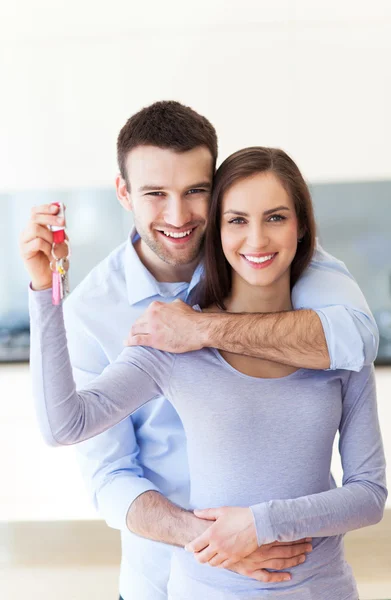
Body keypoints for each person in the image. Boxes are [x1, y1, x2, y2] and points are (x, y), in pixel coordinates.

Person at [20, 102, 379, 600]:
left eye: (195, 191)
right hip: (165, 575)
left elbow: (358, 342)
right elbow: (94, 456)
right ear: (124, 193)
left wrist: (204, 329)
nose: (178, 214)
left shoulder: (277, 257)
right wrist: (217, 539)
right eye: (155, 193)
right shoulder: (102, 316)